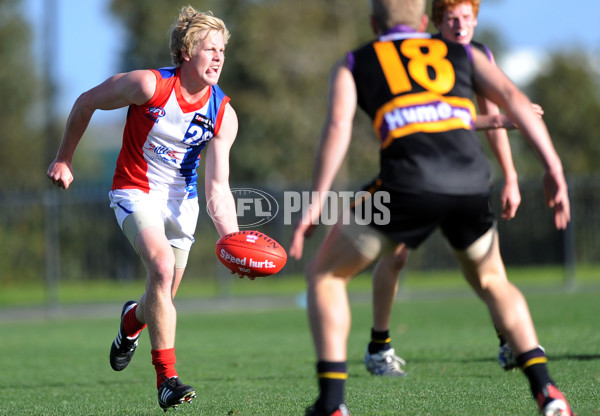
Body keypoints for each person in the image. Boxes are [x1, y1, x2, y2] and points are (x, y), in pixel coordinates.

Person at [289, 0, 573, 415]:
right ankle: (547, 392)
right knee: (494, 280)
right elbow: (512, 96)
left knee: (326, 274)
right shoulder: (463, 53)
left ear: (373, 24)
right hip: (471, 182)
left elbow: (337, 130)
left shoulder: (355, 61)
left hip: (406, 184)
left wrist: (315, 202)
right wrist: (554, 167)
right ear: (425, 23)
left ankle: (333, 403)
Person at [46, 6, 244, 412]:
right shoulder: (147, 85)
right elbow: (86, 103)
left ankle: (130, 321)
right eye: (210, 48)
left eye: (222, 49)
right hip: (134, 190)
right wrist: (64, 158)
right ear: (187, 51)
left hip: (182, 203)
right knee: (160, 267)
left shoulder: (223, 114)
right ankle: (167, 380)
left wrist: (232, 241)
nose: (219, 57)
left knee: (162, 297)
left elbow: (218, 188)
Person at [363, 0, 536, 377]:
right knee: (395, 257)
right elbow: (440, 119)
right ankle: (379, 346)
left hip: (463, 174)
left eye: (467, 19)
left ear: (475, 21)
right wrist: (502, 119)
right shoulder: (422, 55)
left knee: (489, 265)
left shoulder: (478, 55)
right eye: (451, 19)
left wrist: (511, 175)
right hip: (414, 170)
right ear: (434, 22)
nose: (459, 26)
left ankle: (508, 342)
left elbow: (488, 118)